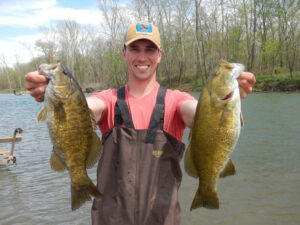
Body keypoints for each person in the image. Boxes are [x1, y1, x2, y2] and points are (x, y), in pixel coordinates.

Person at [25, 21, 256, 225]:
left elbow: (199, 115)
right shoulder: (109, 100)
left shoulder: (176, 101)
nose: (142, 57)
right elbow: (85, 109)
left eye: (150, 49)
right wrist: (54, 93)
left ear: (160, 55)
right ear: (124, 54)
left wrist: (220, 105)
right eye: (135, 49)